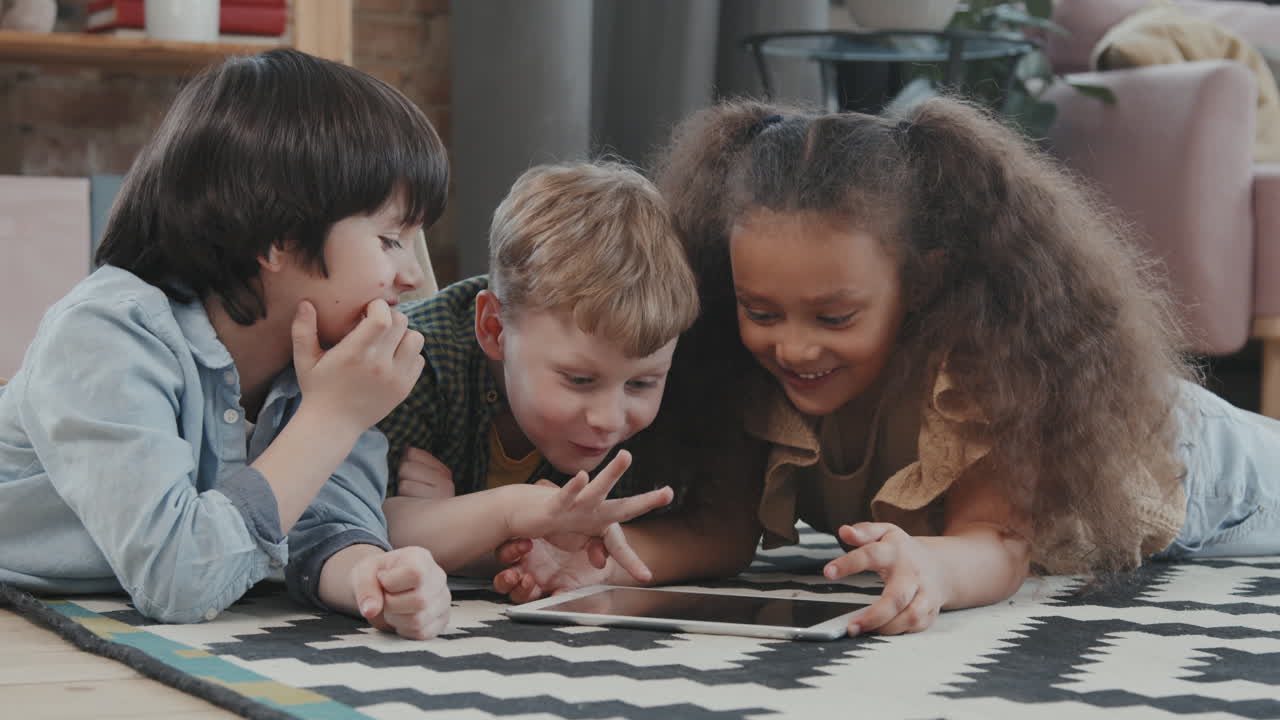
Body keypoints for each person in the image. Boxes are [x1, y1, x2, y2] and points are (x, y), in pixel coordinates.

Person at [495, 96, 1280, 635]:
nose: (794, 347)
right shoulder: (735, 362)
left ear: (923, 282)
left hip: (1193, 467)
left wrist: (933, 570)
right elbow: (725, 532)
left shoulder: (978, 361)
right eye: (760, 310)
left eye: (835, 317)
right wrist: (601, 564)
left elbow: (997, 541)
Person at [0, 49, 451, 639]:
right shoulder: (107, 333)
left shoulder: (323, 356)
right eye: (391, 239)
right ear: (278, 242)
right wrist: (332, 417)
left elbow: (326, 528)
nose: (413, 277)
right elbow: (179, 579)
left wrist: (375, 576)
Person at [379, 161, 696, 581]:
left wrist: (454, 522)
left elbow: (710, 537)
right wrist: (490, 519)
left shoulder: (650, 421)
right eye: (580, 380)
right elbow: (351, 526)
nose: (608, 419)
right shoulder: (409, 361)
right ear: (494, 328)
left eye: (641, 383)